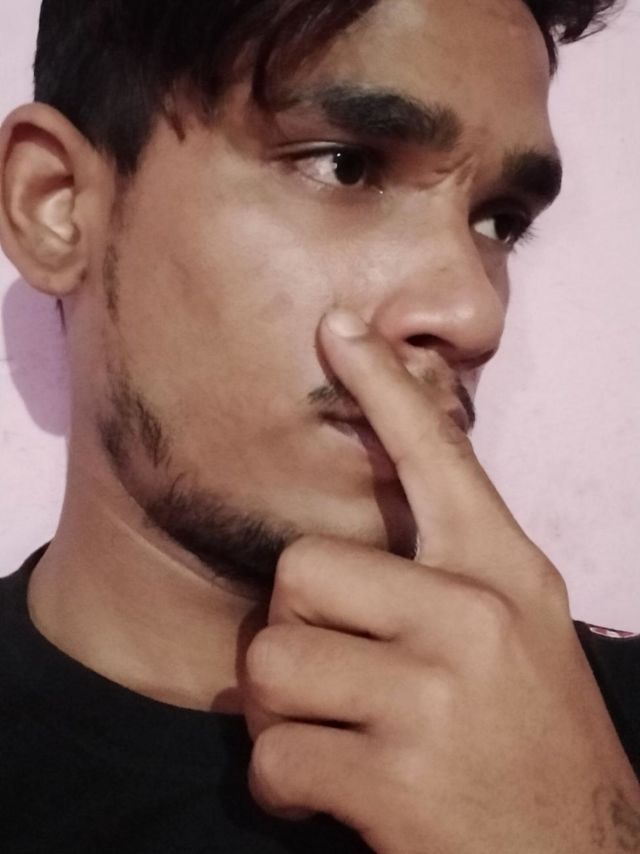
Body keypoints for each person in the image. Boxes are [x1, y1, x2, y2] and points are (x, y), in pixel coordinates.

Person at [0, 0, 637, 851]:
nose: (473, 313)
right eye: (347, 166)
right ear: (56, 204)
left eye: (500, 221)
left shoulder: (610, 737)